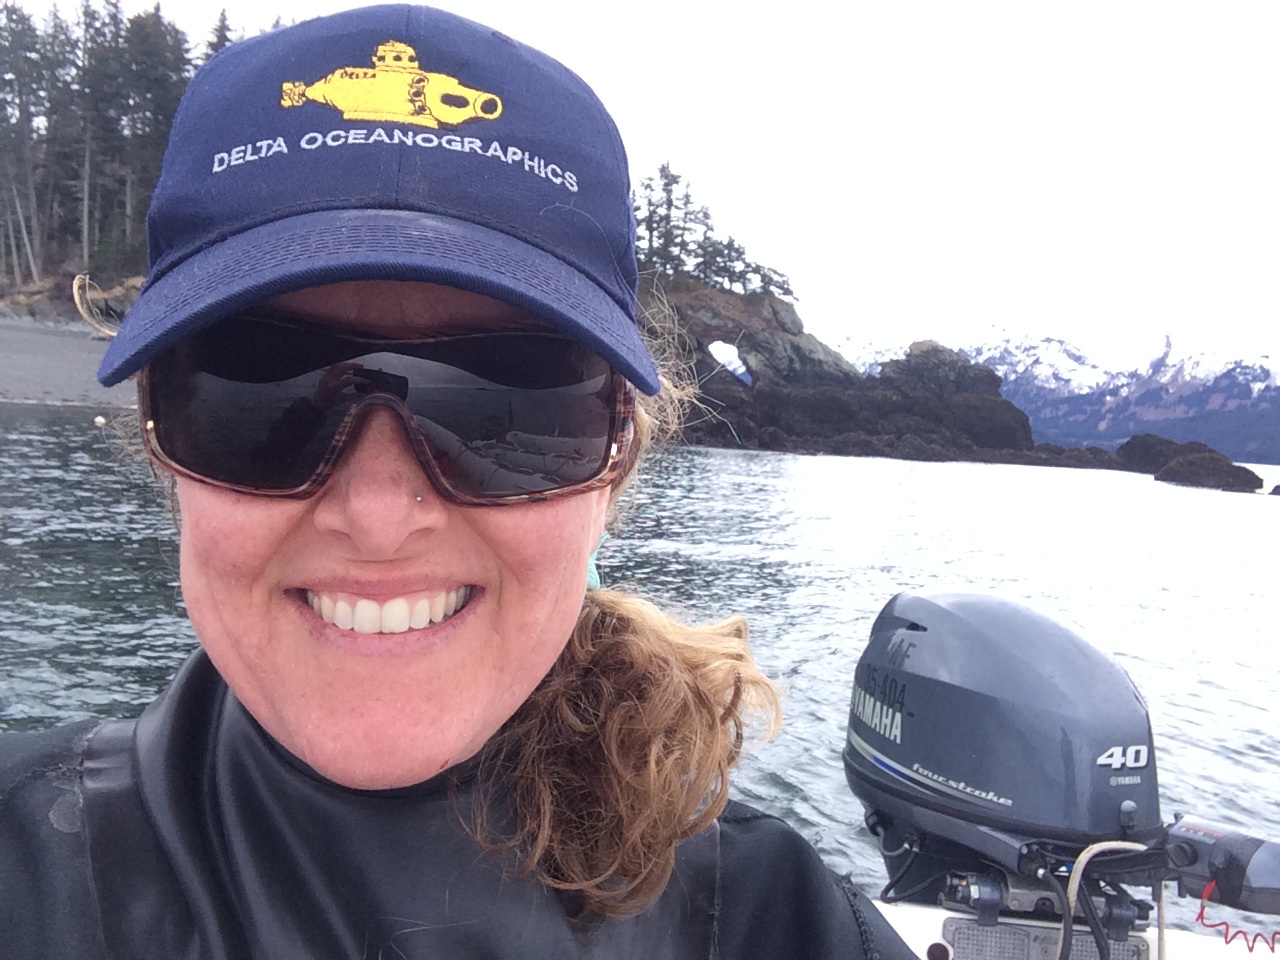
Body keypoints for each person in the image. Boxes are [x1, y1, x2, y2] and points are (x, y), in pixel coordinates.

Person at [0, 6, 917, 958]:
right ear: (161, 439)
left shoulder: (785, 930)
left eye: (502, 410)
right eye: (258, 395)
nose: (381, 514)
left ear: (614, 467)